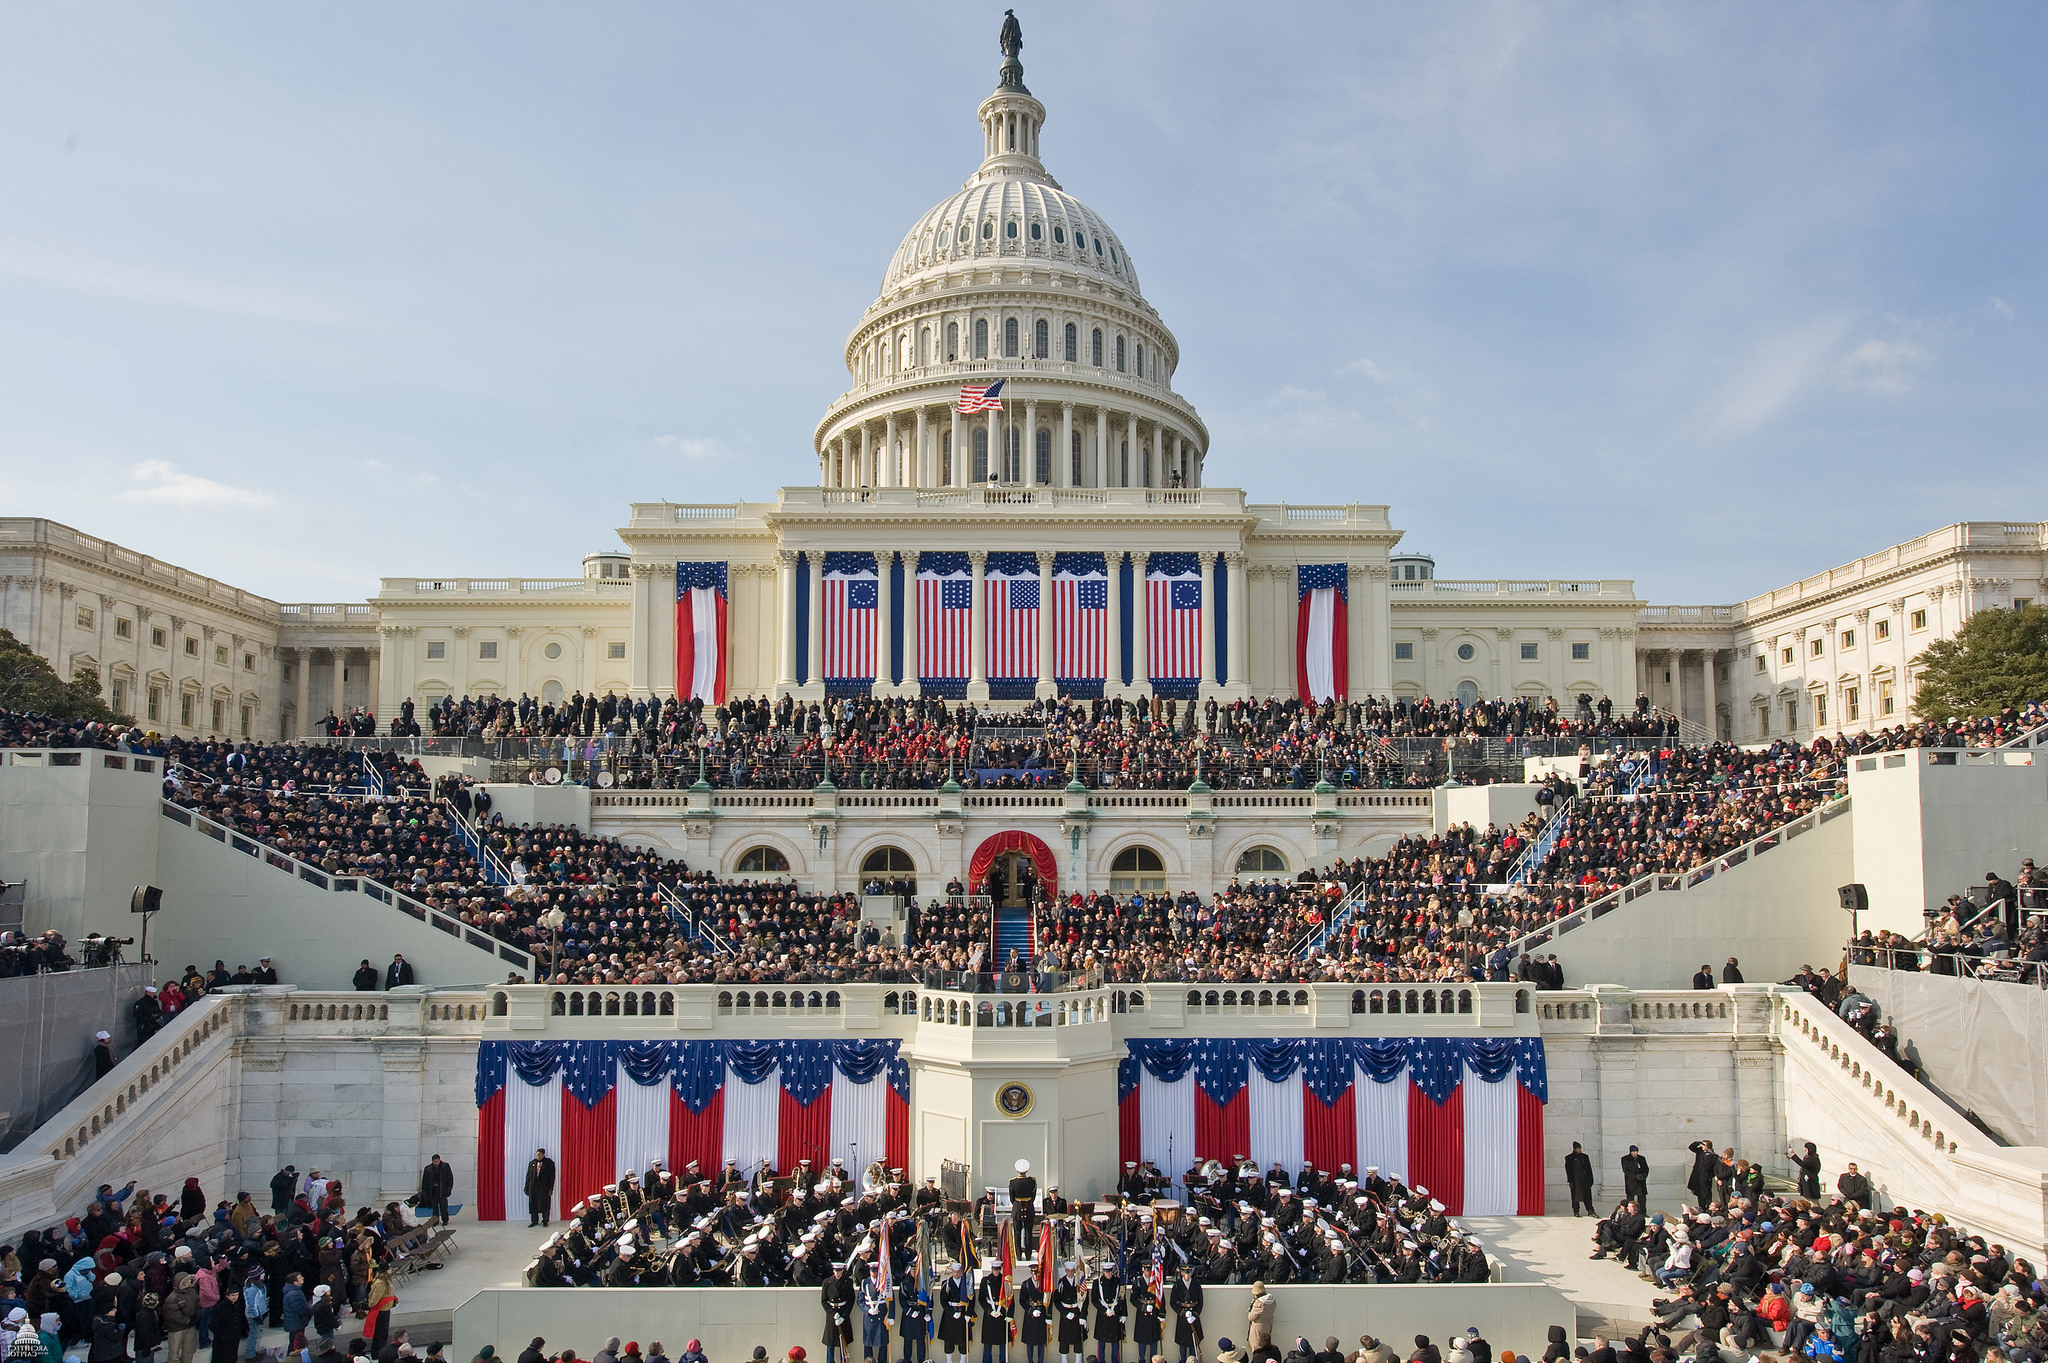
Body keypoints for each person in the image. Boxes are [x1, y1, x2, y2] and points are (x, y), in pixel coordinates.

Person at [822, 1264, 856, 1363]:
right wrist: (833, 1314)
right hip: (832, 1314)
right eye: (835, 1271)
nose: (837, 1273)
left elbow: (850, 1300)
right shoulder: (827, 1282)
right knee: (830, 1342)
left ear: (842, 1271)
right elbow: (824, 1301)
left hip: (843, 1313)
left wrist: (844, 1316)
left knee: (843, 1341)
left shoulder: (848, 1282)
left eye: (839, 1271)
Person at [976, 1266, 1010, 1363]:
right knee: (988, 1341)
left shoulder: (1005, 1280)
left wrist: (1009, 1314)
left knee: (1003, 1341)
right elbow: (981, 1298)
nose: (996, 1271)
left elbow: (1010, 1297)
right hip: (989, 1314)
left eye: (998, 1269)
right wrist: (989, 1310)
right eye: (994, 1269)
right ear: (991, 1269)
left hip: (1001, 1312)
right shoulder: (986, 1281)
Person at [1169, 1267, 1203, 1363]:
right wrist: (1183, 1313)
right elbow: (1173, 1302)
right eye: (1185, 1273)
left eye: (1189, 1273)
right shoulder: (1177, 1285)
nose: (1187, 1275)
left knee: (1193, 1344)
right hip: (1182, 1318)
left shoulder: (1196, 1284)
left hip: (1193, 1316)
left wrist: (1195, 1315)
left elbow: (1200, 1302)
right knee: (1182, 1345)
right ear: (1182, 1273)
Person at [418, 1155, 454, 1226]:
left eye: (437, 1161)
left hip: (442, 1190)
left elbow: (450, 1178)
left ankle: (445, 1219)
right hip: (433, 1190)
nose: (436, 1163)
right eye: (434, 1162)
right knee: (434, 1207)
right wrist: (424, 1192)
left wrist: (449, 1189)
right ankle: (435, 1220)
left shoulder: (445, 1166)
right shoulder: (428, 1168)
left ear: (439, 1160)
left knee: (443, 1206)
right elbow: (424, 1181)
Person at [524, 1149, 556, 1228]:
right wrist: (526, 1187)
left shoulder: (549, 1163)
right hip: (533, 1188)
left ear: (543, 1155)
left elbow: (552, 1177)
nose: (538, 1156)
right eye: (537, 1155)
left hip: (544, 1188)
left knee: (545, 1204)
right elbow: (528, 1176)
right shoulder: (532, 1163)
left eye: (540, 1155)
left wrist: (550, 1189)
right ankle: (534, 1221)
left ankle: (545, 1221)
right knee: (533, 1204)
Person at [1563, 1143, 1595, 1217]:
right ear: (1574, 1149)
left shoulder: (1585, 1157)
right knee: (1575, 1196)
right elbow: (1568, 1170)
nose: (1579, 1150)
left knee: (1587, 1196)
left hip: (1585, 1180)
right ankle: (1576, 1211)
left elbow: (1589, 1169)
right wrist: (1570, 1181)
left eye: (1580, 1149)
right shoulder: (1569, 1158)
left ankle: (1590, 1210)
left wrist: (1591, 1179)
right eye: (1578, 1149)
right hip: (1575, 1180)